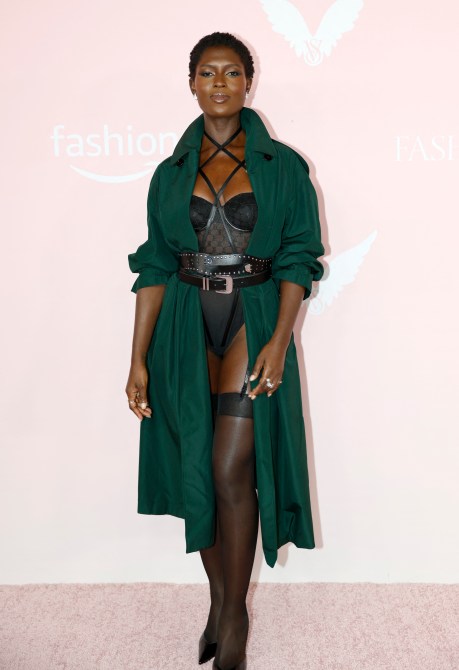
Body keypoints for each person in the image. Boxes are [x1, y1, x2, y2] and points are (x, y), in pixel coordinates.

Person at [126, 31, 325, 670]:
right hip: (186, 324)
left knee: (230, 466)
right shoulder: (169, 175)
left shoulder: (282, 166)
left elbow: (299, 256)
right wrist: (136, 358)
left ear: (248, 82)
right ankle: (218, 600)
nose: (220, 83)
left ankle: (235, 617)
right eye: (208, 73)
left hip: (252, 317)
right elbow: (155, 266)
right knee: (200, 470)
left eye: (232, 72)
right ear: (192, 84)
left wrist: (279, 340)